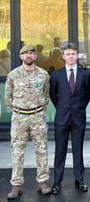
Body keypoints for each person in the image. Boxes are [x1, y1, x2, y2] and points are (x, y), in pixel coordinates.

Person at [5, 45, 52, 199]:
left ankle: (43, 182)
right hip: (19, 118)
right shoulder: (13, 75)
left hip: (37, 117)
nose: (29, 56)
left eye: (32, 53)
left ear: (35, 56)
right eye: (26, 54)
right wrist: (19, 111)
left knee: (42, 150)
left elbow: (46, 96)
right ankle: (16, 185)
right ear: (21, 56)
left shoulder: (43, 74)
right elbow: (8, 99)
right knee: (17, 152)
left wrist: (38, 110)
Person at [50, 43, 90, 194]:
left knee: (78, 149)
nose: (71, 56)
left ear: (77, 55)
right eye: (68, 54)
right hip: (62, 118)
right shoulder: (56, 75)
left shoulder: (85, 74)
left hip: (78, 117)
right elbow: (53, 95)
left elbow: (87, 95)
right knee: (59, 150)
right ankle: (57, 182)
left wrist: (79, 107)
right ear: (63, 56)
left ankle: (79, 180)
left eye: (73, 54)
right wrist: (62, 107)